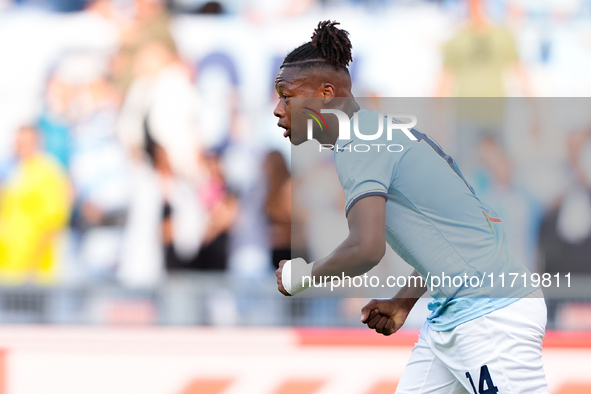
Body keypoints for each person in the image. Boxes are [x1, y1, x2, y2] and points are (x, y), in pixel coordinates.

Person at [273, 21, 548, 393]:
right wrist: (403, 302)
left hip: (490, 317)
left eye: (286, 95)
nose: (277, 109)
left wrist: (302, 276)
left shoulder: (359, 146)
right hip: (453, 316)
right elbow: (450, 234)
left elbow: (366, 248)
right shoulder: (381, 132)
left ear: (324, 94)